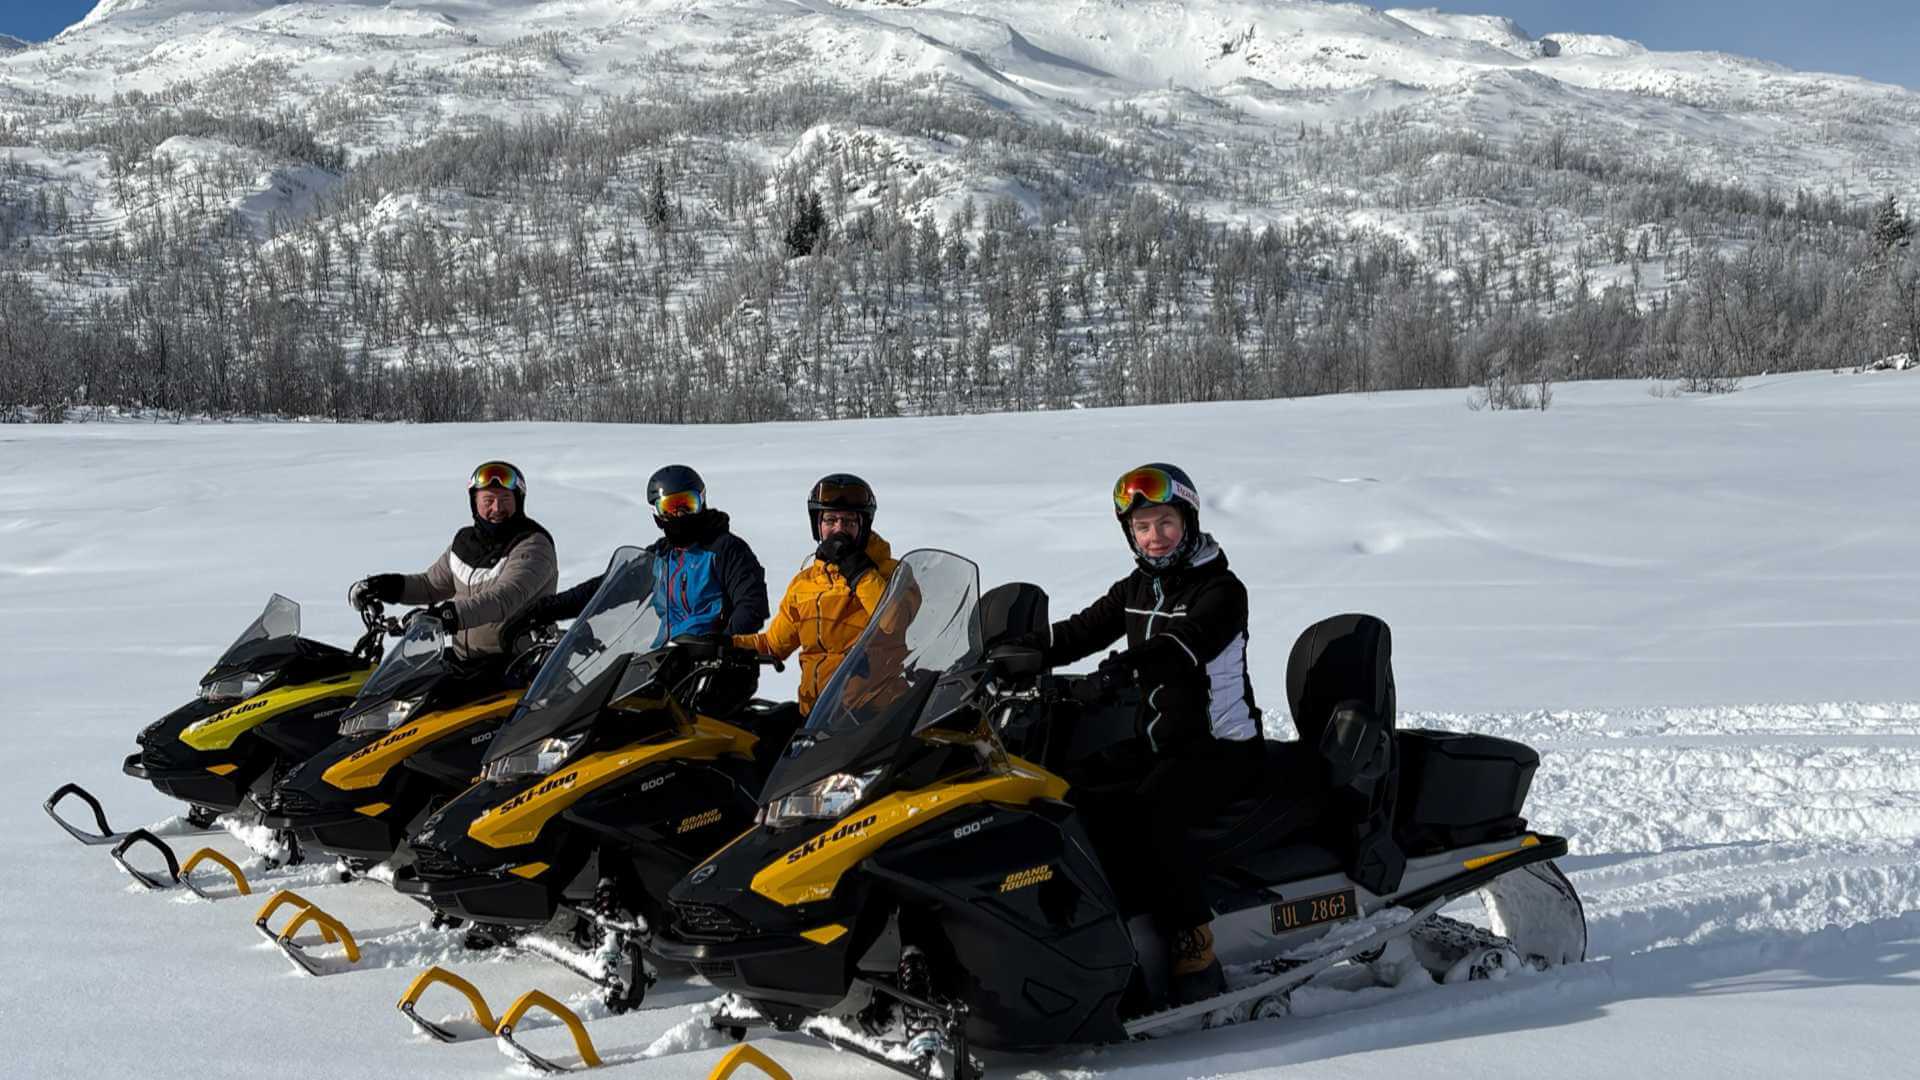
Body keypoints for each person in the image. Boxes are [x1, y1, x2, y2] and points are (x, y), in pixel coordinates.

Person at [1028, 463, 1262, 1006]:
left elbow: (1185, 644)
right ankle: (1098, 929)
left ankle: (1193, 944)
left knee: (1151, 814)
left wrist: (1119, 671)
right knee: (1063, 791)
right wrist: (1017, 652)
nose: (1154, 536)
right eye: (1142, 528)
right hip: (1158, 742)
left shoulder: (1221, 589)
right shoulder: (1137, 586)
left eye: (1165, 523)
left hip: (1221, 749)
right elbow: (1082, 629)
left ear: (1189, 521)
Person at [508, 465, 769, 650]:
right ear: (657, 514)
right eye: (670, 507)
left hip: (717, 666)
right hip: (667, 660)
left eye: (687, 505)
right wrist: (543, 610)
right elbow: (603, 589)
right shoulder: (659, 557)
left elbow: (752, 604)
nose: (679, 515)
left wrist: (724, 643)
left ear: (702, 503)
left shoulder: (726, 550)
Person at [348, 460, 558, 659]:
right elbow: (431, 585)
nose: (496, 509)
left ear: (518, 502)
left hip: (516, 666)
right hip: (465, 659)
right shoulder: (466, 543)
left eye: (505, 500)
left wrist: (447, 617)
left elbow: (503, 598)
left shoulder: (533, 545)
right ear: (474, 503)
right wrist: (387, 586)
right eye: (488, 500)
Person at [734, 473, 898, 715]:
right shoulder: (805, 584)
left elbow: (894, 621)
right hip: (817, 713)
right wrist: (724, 644)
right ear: (818, 526)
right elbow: (772, 645)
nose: (839, 529)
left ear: (864, 527)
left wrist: (859, 571)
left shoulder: (892, 573)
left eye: (849, 522)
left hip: (873, 715)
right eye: (830, 520)